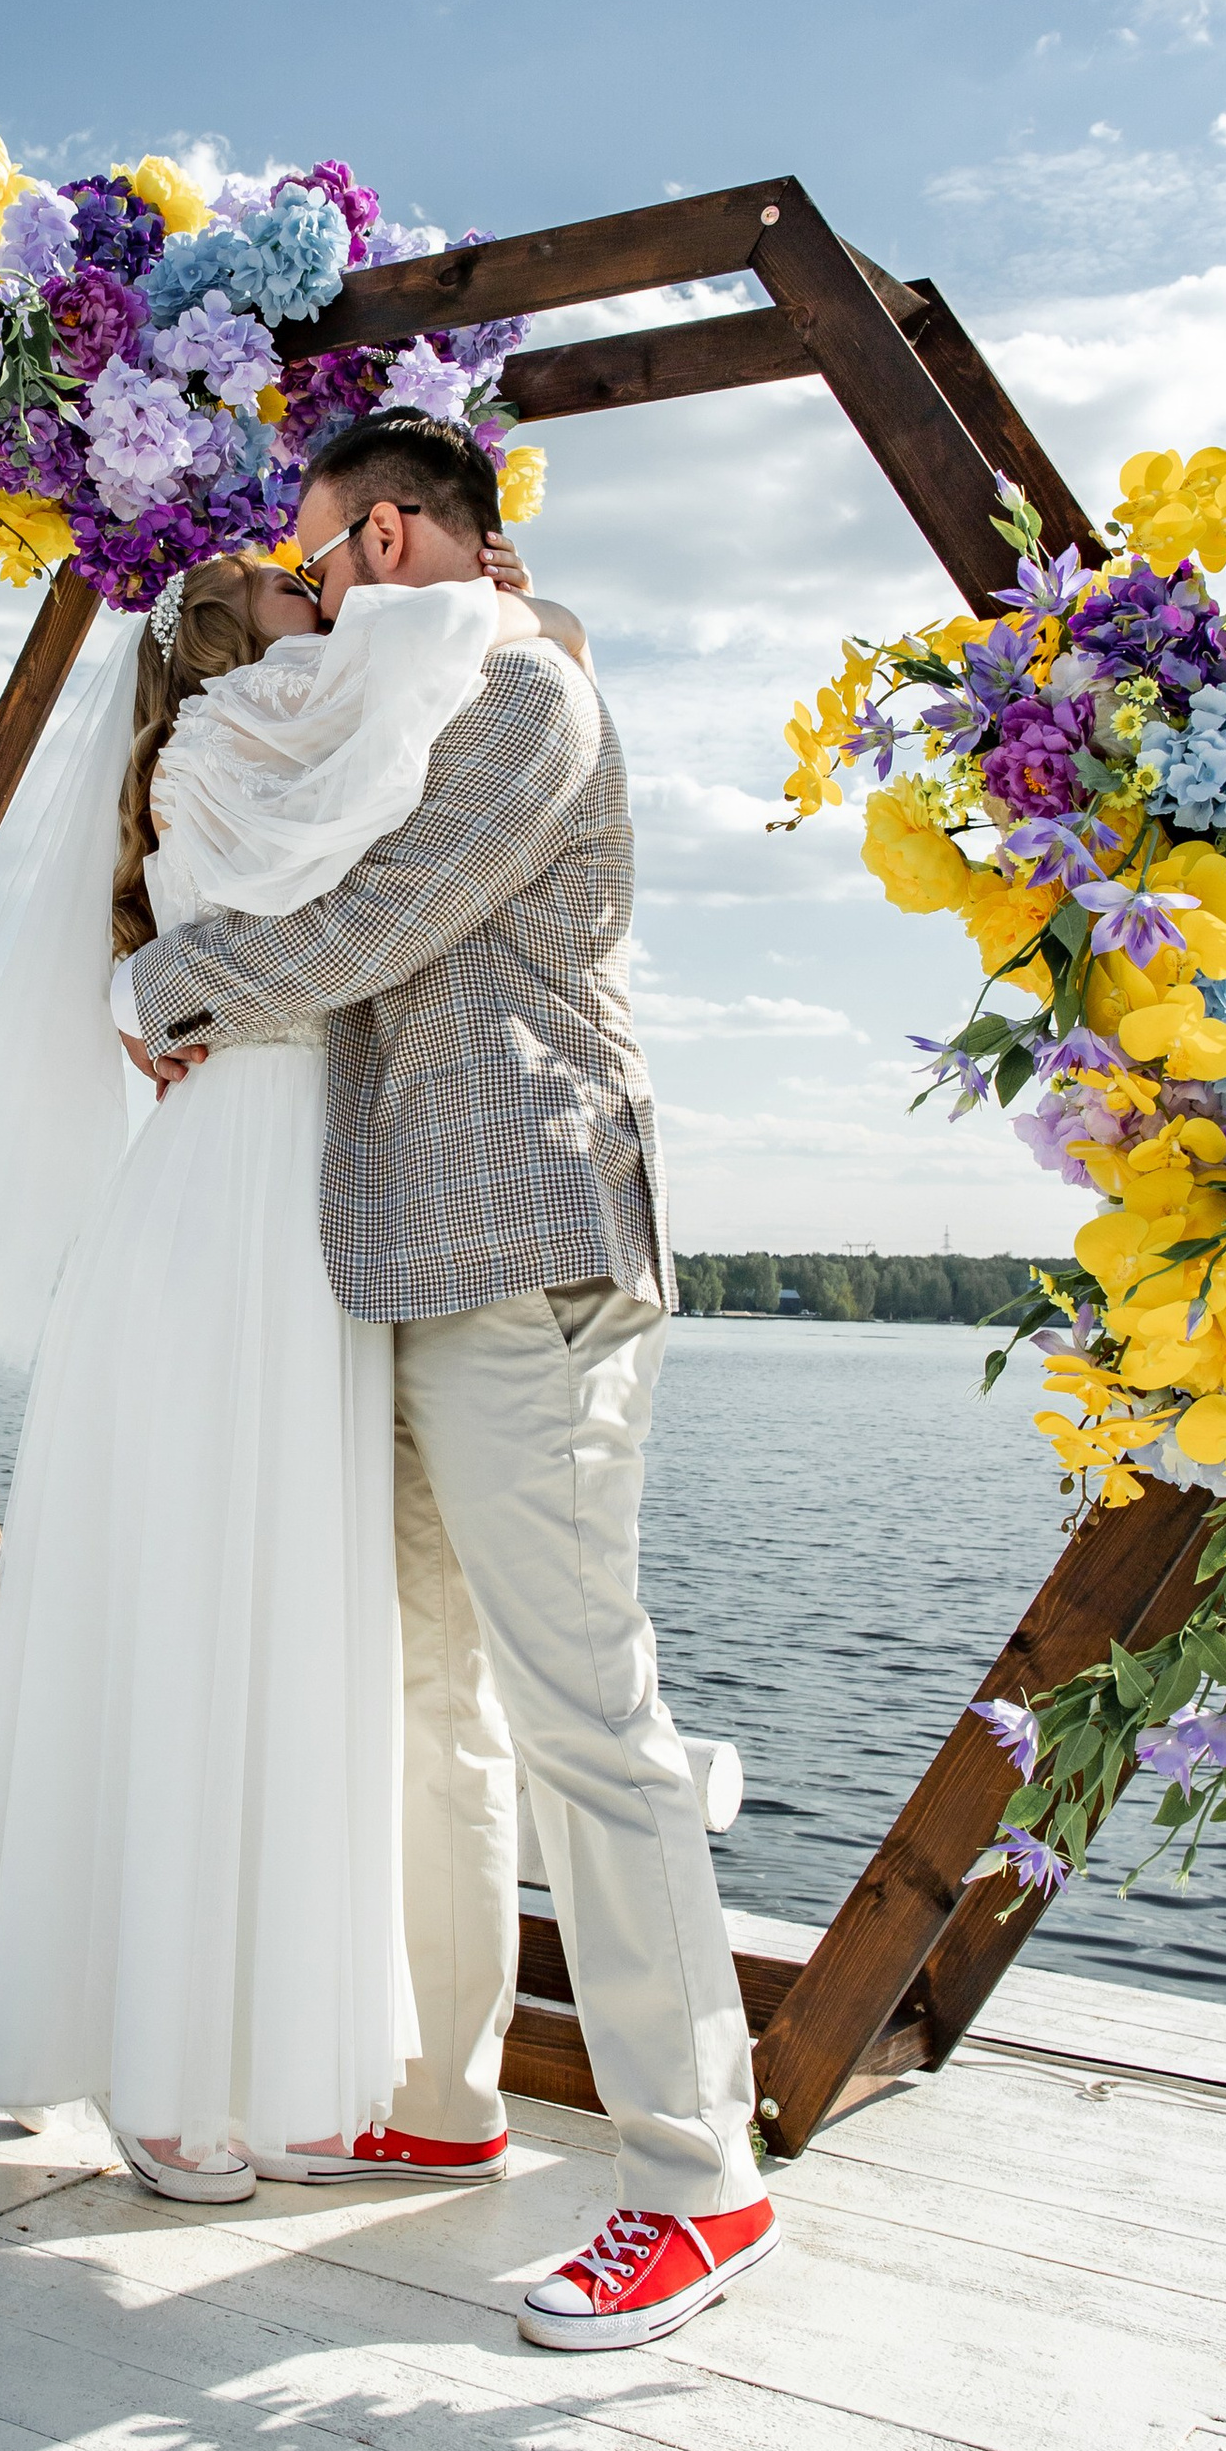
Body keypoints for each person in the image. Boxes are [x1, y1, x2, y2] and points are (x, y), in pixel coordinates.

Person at [120, 411, 776, 2350]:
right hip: (397, 1251)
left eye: (320, 564)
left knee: (589, 1717)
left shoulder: (521, 695)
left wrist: (166, 989)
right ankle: (443, 2107)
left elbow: (375, 918)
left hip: (526, 1245)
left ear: (391, 535)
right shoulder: (419, 689)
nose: (311, 597)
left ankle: (697, 2180)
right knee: (431, 1707)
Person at [0, 538, 548, 2200]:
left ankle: (236, 2049)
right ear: (229, 639)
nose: (328, 594)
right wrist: (491, 596)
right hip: (225, 1219)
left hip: (292, 1221)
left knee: (275, 1637)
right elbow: (400, 722)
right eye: (291, 588)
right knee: (187, 1623)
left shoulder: (273, 725)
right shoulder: (243, 738)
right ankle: (157, 2072)